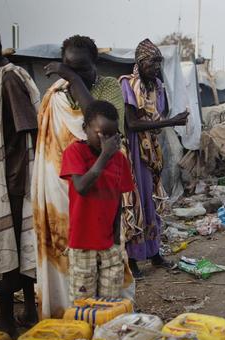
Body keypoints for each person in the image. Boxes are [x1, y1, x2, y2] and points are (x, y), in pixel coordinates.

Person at [33, 35, 134, 318]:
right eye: (69, 68)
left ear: (96, 63)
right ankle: (69, 317)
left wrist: (69, 76)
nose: (74, 75)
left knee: (109, 276)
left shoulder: (109, 87)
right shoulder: (56, 94)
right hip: (62, 183)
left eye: (81, 69)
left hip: (101, 189)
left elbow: (95, 114)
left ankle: (108, 324)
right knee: (76, 272)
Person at [0, 23, 40, 337]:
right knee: (18, 246)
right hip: (4, 177)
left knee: (10, 247)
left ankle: (8, 318)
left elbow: (27, 127)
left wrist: (14, 176)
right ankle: (28, 310)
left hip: (12, 180)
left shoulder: (9, 77)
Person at [119, 39, 188, 278]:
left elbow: (160, 113)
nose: (157, 68)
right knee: (136, 201)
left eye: (159, 63)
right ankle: (133, 259)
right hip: (133, 152)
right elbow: (132, 123)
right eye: (152, 63)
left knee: (152, 201)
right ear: (140, 63)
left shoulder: (157, 86)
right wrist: (172, 122)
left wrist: (171, 119)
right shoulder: (128, 85)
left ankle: (154, 252)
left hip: (152, 151)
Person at [60, 101, 134, 301]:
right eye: (102, 134)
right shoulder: (74, 153)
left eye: (112, 135)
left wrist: (117, 240)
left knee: (110, 302)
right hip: (82, 242)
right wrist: (104, 156)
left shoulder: (119, 160)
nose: (107, 140)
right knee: (84, 304)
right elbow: (82, 187)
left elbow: (118, 199)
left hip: (109, 243)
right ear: (85, 129)